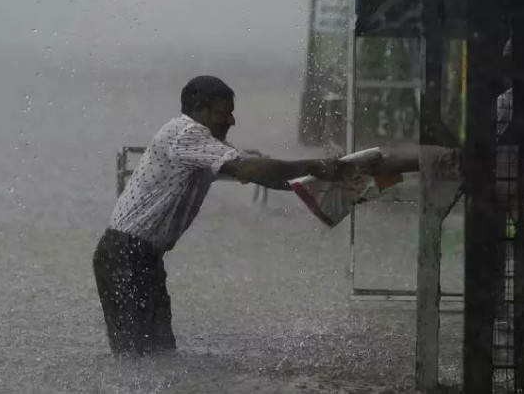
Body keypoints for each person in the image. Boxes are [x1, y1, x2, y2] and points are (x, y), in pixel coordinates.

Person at [92, 75, 420, 356]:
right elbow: (247, 167)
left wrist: (336, 182)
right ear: (199, 111)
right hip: (124, 254)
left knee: (159, 352)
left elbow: (263, 176)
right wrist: (310, 165)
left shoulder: (201, 147)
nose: (231, 121)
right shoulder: (185, 133)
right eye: (224, 114)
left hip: (142, 257)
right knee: (135, 356)